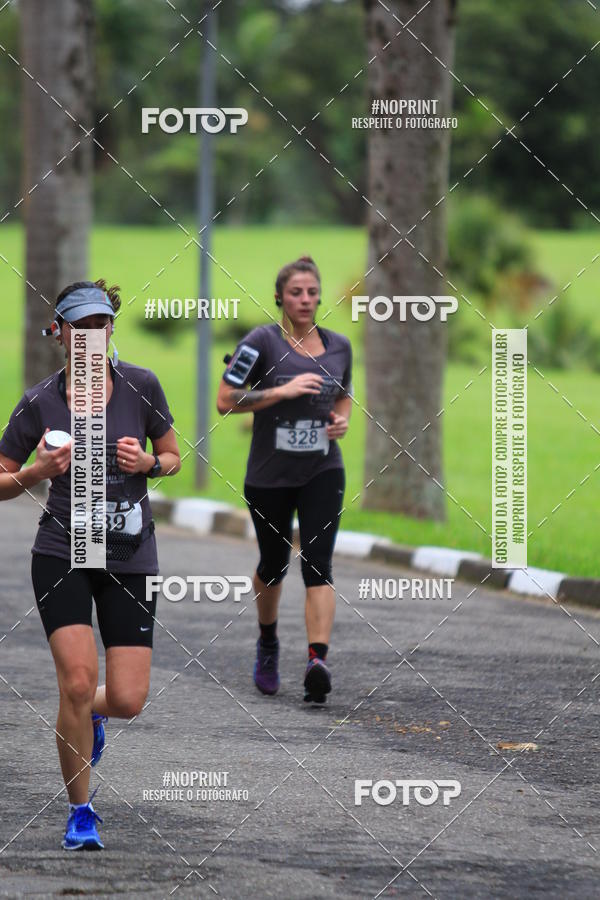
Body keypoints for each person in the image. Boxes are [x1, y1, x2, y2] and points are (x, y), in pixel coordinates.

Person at [0, 280, 181, 850]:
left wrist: (149, 463)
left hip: (128, 554)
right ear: (60, 333)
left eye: (100, 325)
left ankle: (92, 716)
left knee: (126, 699)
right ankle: (81, 812)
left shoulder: (141, 386)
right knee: (76, 683)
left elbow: (173, 456)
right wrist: (37, 472)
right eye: (79, 327)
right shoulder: (39, 402)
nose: (90, 335)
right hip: (63, 553)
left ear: (110, 329)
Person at [217, 256, 352, 704]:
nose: (305, 300)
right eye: (296, 292)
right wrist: (281, 391)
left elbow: (344, 396)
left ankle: (317, 661)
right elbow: (225, 400)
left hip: (323, 470)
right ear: (279, 297)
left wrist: (341, 421)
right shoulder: (260, 343)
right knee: (273, 565)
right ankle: (268, 641)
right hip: (269, 476)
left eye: (312, 292)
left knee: (318, 564)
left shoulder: (339, 347)